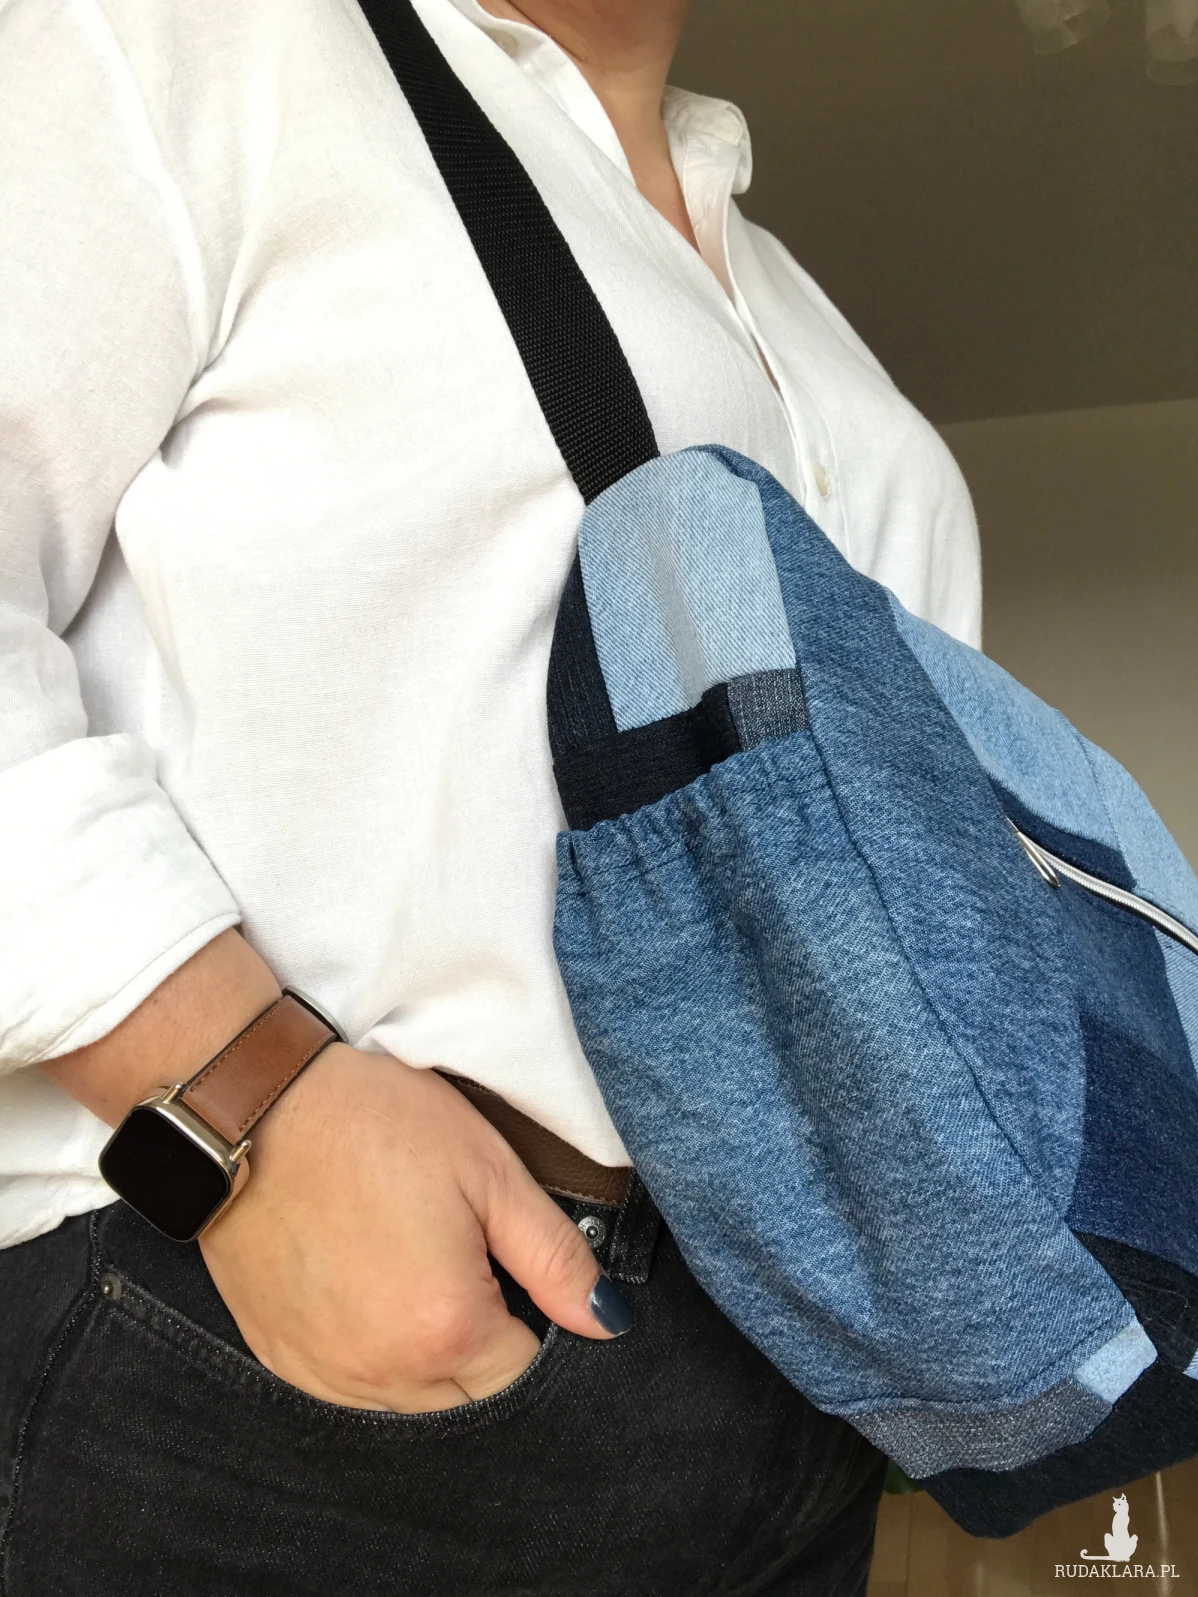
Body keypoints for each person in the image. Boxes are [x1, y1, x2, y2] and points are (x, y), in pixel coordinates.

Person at [0, 0, 982, 1591]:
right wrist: (247, 1103)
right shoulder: (192, 43)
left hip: (797, 1368)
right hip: (315, 1352)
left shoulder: (786, 302)